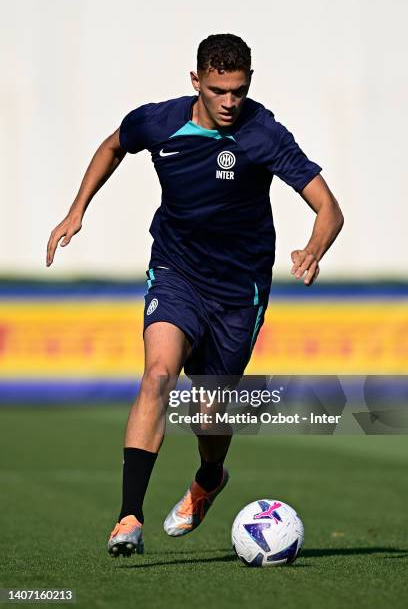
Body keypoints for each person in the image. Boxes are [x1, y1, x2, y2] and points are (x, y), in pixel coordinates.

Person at [46, 33, 344, 557]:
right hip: (177, 270)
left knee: (209, 414)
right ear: (195, 83)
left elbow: (329, 209)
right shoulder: (158, 122)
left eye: (239, 90)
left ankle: (209, 477)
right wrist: (77, 210)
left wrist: (313, 249)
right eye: (218, 90)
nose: (230, 102)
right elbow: (115, 143)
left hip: (238, 291)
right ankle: (128, 518)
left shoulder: (264, 134)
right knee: (158, 374)